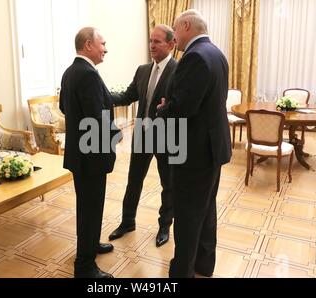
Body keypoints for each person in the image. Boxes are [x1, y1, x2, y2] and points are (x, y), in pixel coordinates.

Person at [157, 10, 232, 278]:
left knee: (188, 216)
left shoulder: (194, 57)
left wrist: (164, 108)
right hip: (212, 148)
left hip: (194, 153)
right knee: (206, 210)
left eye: (175, 30)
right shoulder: (217, 54)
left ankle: (182, 272)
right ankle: (204, 264)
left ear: (186, 26)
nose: (174, 36)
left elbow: (183, 108)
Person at [60, 27, 122, 278]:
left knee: (87, 207)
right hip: (92, 156)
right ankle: (85, 267)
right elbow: (98, 119)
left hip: (79, 154)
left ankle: (91, 244)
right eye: (102, 44)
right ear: (88, 45)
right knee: (90, 209)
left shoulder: (70, 72)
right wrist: (116, 136)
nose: (105, 48)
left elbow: (65, 106)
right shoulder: (88, 75)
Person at [108, 25, 177, 247]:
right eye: (150, 41)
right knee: (133, 180)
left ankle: (165, 226)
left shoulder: (180, 70)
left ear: (171, 44)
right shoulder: (142, 70)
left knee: (168, 184)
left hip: (168, 138)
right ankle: (128, 222)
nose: (152, 46)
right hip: (142, 135)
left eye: (157, 41)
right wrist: (101, 94)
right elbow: (128, 96)